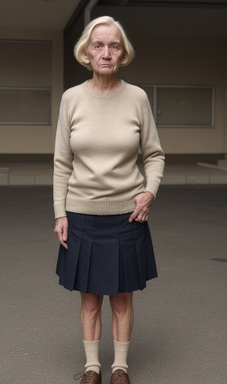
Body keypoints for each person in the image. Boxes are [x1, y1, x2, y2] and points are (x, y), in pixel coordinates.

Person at [53, 15, 165, 384]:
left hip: (126, 216)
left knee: (121, 300)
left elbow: (154, 155)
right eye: (98, 45)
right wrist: (60, 213)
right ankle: (91, 368)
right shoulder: (71, 99)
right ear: (86, 52)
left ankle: (120, 368)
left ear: (123, 53)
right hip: (81, 214)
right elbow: (62, 162)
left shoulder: (137, 98)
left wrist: (149, 190)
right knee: (88, 299)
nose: (106, 52)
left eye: (113, 45)